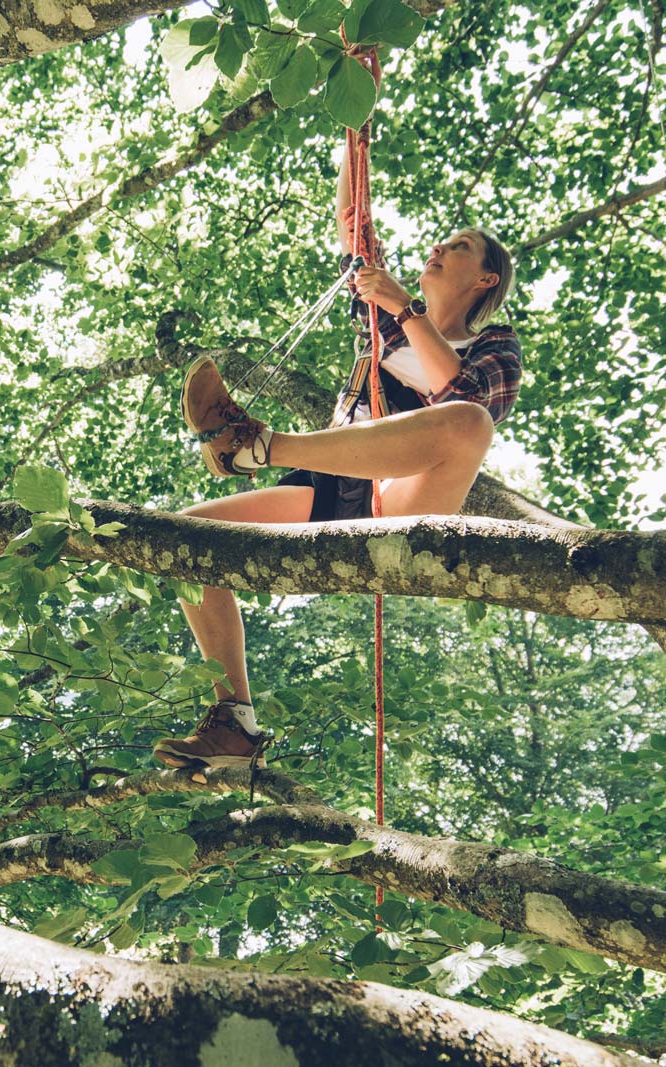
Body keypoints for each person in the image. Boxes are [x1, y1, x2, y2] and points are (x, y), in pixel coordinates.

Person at [152, 151, 522, 770]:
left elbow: (458, 398)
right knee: (188, 537)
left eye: (459, 246)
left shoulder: (493, 344)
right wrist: (357, 128)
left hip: (404, 502)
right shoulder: (384, 319)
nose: (440, 246)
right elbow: (354, 221)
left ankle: (260, 447)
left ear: (485, 280)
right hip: (334, 487)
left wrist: (403, 306)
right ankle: (234, 725)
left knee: (470, 423)